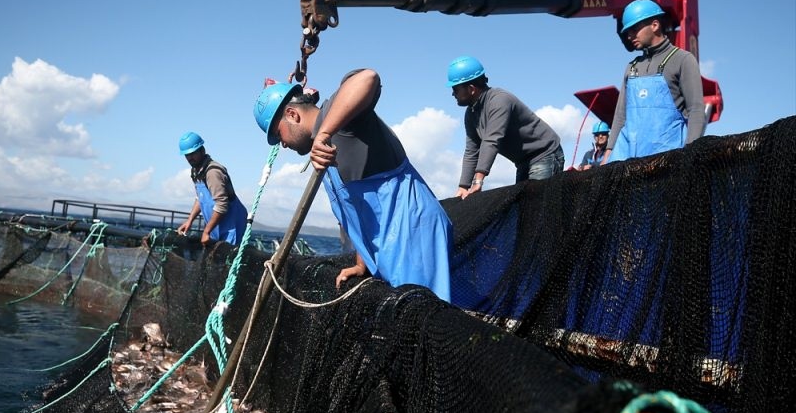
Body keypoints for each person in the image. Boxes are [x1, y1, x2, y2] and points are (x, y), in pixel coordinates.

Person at [253, 69, 453, 302]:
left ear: (292, 115)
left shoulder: (333, 118)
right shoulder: (322, 153)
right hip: (388, 250)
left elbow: (367, 78)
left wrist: (325, 132)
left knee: (421, 320)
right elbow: (360, 213)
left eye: (279, 135)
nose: (283, 145)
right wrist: (362, 262)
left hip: (412, 238)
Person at [446, 55, 564, 198]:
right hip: (522, 162)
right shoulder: (470, 114)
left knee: (537, 205)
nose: (453, 94)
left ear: (471, 88)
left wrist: (478, 180)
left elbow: (491, 140)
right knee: (523, 208)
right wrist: (463, 186)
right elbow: (472, 151)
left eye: (455, 89)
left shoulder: (499, 100)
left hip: (544, 155)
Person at [603, 0, 705, 163]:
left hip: (667, 161)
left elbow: (696, 110)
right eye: (627, 31)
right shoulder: (632, 67)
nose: (629, 35)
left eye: (634, 29)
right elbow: (621, 116)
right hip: (627, 162)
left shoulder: (683, 59)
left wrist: (690, 154)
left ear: (655, 25)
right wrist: (608, 153)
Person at [176, 131, 248, 246]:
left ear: (202, 151)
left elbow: (222, 205)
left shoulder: (213, 172)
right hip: (217, 225)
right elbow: (200, 198)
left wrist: (206, 231)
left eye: (193, 153)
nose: (190, 158)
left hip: (232, 225)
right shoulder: (196, 171)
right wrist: (189, 221)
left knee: (229, 260)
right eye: (187, 155)